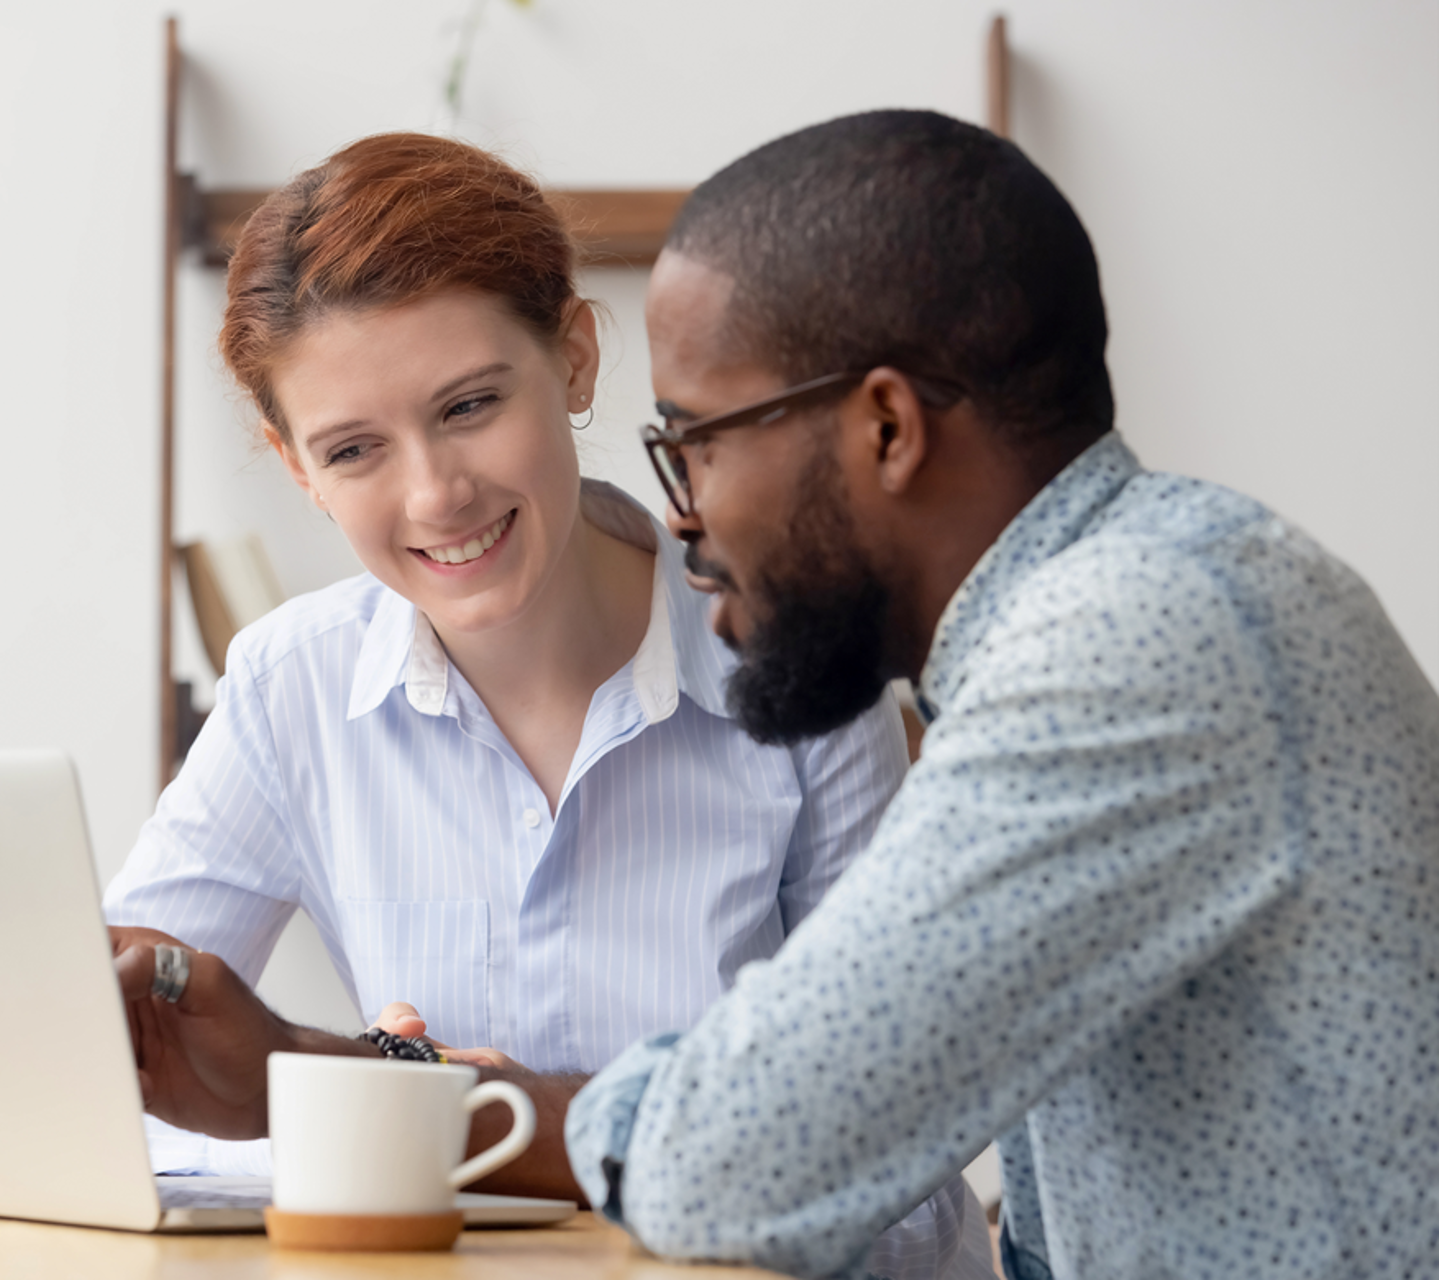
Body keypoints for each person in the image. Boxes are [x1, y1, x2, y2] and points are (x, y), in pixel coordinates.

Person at [562, 109, 1439, 1279]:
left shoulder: (1135, 631)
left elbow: (728, 1161)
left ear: (887, 426)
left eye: (696, 441)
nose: (682, 513)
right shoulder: (1140, 599)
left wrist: (503, 1105)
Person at [105, 132, 992, 1277]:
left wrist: (402, 1098)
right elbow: (121, 1045)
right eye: (354, 448)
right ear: (297, 468)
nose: (435, 492)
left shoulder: (795, 662)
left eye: (471, 404)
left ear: (574, 360)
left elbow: (900, 1107)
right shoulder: (293, 684)